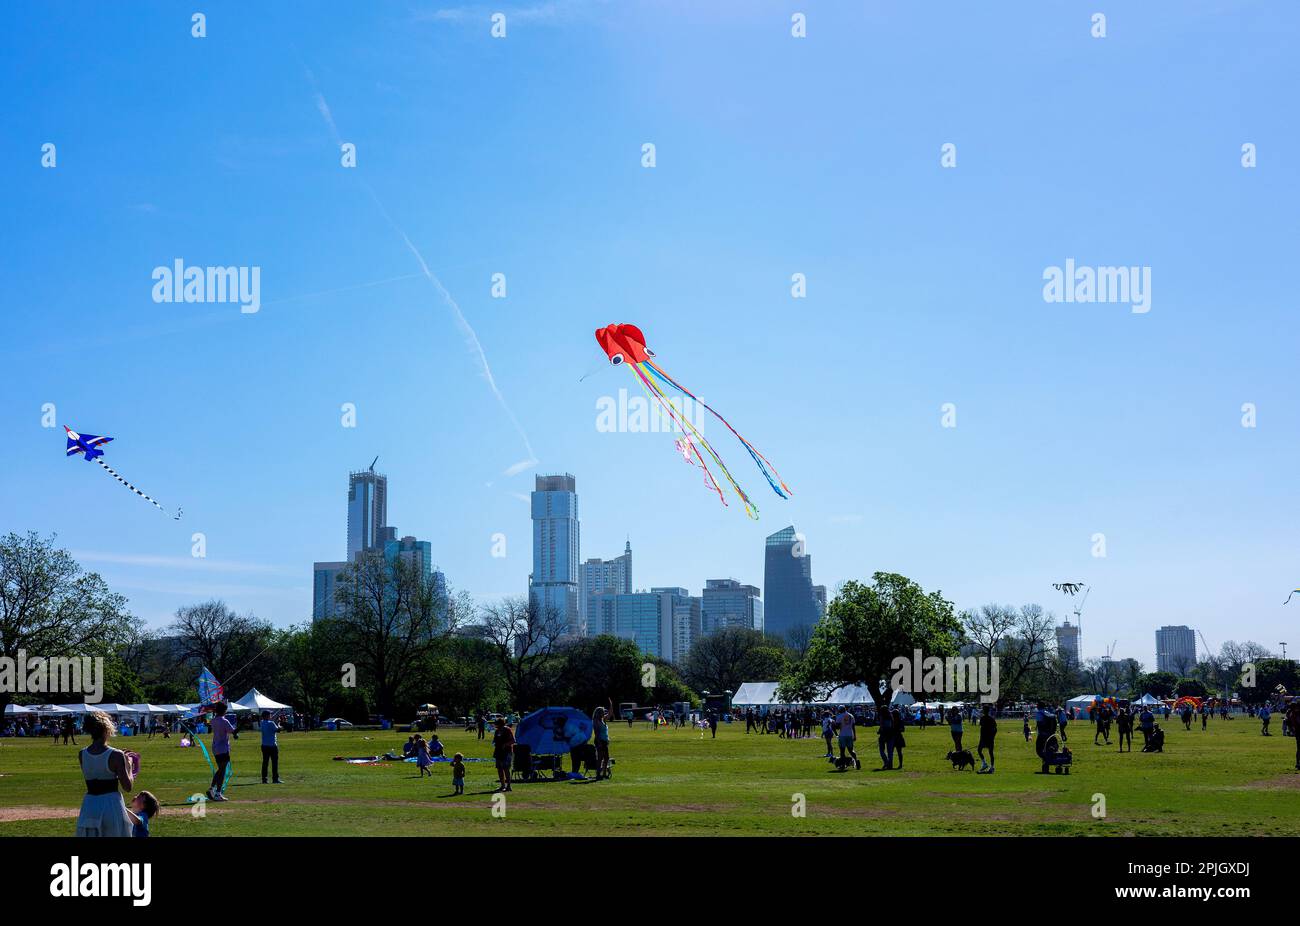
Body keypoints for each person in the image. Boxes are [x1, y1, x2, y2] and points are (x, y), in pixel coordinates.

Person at [75, 711, 136, 837]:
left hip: (90, 804)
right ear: (106, 729)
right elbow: (128, 787)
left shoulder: (82, 754)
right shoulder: (116, 755)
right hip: (110, 804)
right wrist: (129, 766)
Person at [208, 702, 236, 802]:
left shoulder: (213, 720)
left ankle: (212, 789)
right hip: (223, 748)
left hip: (215, 747)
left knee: (220, 769)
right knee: (222, 771)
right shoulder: (224, 721)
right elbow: (232, 731)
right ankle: (218, 793)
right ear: (224, 710)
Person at [259, 710, 282, 784]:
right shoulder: (271, 723)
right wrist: (278, 723)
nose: (271, 716)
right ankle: (275, 779)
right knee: (274, 763)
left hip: (264, 745)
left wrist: (277, 713)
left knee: (265, 762)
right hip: (272, 745)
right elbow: (278, 730)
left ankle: (264, 779)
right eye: (270, 715)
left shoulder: (262, 722)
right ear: (267, 716)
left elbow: (271, 719)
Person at [492, 717, 515, 792]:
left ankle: (508, 786)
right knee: (499, 769)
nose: (495, 725)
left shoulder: (507, 730)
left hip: (507, 752)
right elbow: (495, 740)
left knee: (506, 769)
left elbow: (513, 740)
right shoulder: (497, 731)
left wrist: (505, 745)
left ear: (501, 723)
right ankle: (502, 786)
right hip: (498, 751)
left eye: (497, 723)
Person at [593, 700, 612, 780]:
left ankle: (604, 773)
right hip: (599, 741)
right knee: (600, 758)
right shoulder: (596, 721)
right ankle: (598, 774)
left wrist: (611, 704)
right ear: (599, 712)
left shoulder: (603, 720)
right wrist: (599, 742)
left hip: (604, 741)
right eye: (602, 712)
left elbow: (610, 714)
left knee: (606, 758)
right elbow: (596, 732)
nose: (604, 713)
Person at [977, 703, 997, 773]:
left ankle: (989, 766)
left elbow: (993, 729)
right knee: (987, 752)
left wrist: (992, 737)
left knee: (985, 751)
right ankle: (988, 765)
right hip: (987, 738)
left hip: (986, 738)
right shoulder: (989, 718)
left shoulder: (985, 718)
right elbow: (995, 729)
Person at [890, 705, 906, 770]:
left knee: (899, 752)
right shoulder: (892, 721)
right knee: (891, 752)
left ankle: (900, 764)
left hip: (898, 737)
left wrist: (897, 730)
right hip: (893, 737)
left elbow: (903, 729)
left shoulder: (900, 721)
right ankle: (890, 764)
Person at [1287, 702, 1300, 770]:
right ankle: (1298, 763)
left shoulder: (1292, 714)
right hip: (1298, 732)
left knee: (1298, 749)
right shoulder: (1294, 714)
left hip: (1297, 732)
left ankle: (1298, 763)